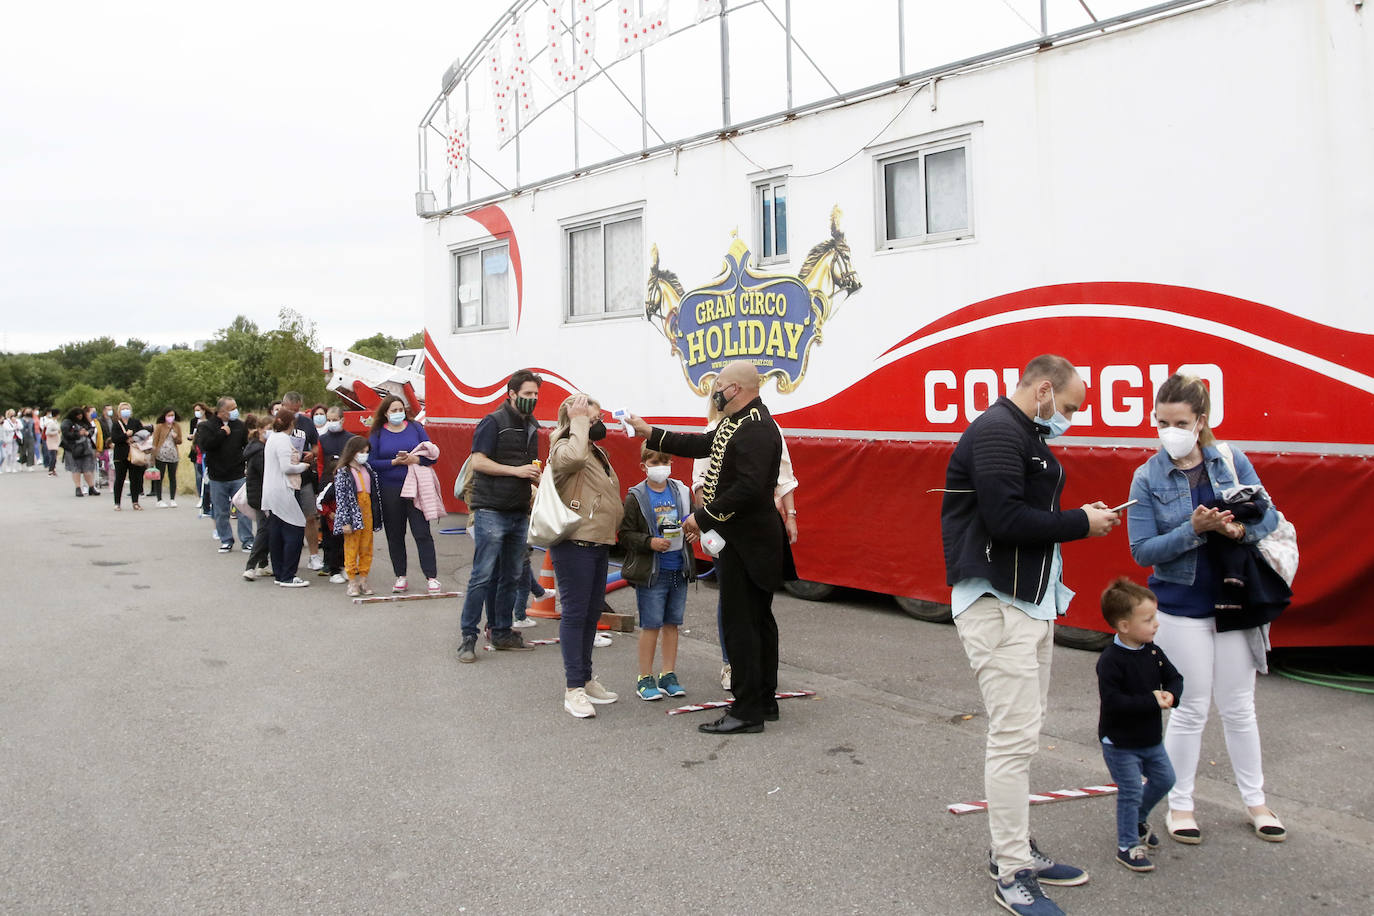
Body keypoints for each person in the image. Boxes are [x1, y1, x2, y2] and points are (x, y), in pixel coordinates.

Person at [939, 353, 1121, 916]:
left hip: (1027, 603)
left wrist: (1074, 517)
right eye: (1068, 407)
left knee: (1023, 734)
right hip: (998, 604)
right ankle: (1012, 870)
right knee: (1013, 739)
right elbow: (1006, 520)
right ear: (1043, 390)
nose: (1070, 418)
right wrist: (1081, 524)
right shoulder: (997, 431)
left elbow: (1024, 513)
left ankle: (1012, 850)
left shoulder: (1024, 431)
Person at [1126, 373, 1287, 846]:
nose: (1168, 430)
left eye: (1178, 421)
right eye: (1160, 421)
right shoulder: (1147, 476)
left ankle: (1256, 802)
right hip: (1180, 607)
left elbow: (1270, 516)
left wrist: (1239, 532)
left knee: (1240, 708)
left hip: (1235, 602)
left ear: (1200, 421)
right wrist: (1194, 530)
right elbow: (1142, 550)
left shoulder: (1231, 461)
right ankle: (1180, 805)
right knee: (1189, 708)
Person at [628, 361, 796, 735]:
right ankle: (762, 699)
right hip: (745, 539)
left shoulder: (754, 428)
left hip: (749, 542)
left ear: (736, 388)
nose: (714, 390)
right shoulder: (738, 422)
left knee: (744, 626)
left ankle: (748, 709)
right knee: (755, 622)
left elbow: (750, 489)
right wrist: (650, 433)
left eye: (719, 384)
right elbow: (702, 444)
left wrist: (702, 517)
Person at [692, 398, 800, 691]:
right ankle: (735, 667)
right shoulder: (717, 429)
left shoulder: (765, 427)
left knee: (755, 609)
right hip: (726, 530)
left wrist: (790, 514)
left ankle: (755, 687)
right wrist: (706, 523)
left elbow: (784, 474)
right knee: (735, 603)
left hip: (756, 531)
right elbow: (701, 483)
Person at [544, 393, 623, 717]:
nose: (597, 423)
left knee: (591, 613)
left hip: (598, 540)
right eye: (592, 418)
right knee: (576, 614)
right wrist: (576, 422)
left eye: (597, 418)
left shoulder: (596, 451)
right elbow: (572, 461)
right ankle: (573, 688)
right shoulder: (565, 447)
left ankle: (586, 679)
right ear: (575, 419)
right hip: (575, 542)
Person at [1096, 577, 1182, 874]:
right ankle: (1127, 846)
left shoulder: (1153, 652)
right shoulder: (1111, 660)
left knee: (1166, 779)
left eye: (1155, 616)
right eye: (1148, 619)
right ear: (1124, 626)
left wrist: (1173, 694)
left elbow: (1175, 678)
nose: (1156, 624)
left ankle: (1138, 819)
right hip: (1120, 742)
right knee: (1130, 790)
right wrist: (1151, 700)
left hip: (1150, 739)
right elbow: (1114, 702)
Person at [456, 370, 543, 661]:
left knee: (512, 575)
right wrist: (516, 471)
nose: (533, 399)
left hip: (519, 511)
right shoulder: (492, 422)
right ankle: (468, 637)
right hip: (491, 509)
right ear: (511, 393)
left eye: (536, 394)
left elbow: (529, 464)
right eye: (527, 394)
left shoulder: (532, 425)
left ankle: (502, 630)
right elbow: (478, 462)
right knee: (482, 576)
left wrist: (537, 478)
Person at [619, 446, 695, 701]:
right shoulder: (636, 496)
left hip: (678, 568)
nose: (661, 466)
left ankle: (668, 674)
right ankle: (645, 677)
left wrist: (693, 531)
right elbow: (625, 534)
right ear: (644, 466)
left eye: (665, 461)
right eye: (655, 462)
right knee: (651, 625)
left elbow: (691, 521)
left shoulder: (680, 492)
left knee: (673, 624)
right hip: (652, 571)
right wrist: (649, 542)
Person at [367, 395, 441, 594]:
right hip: (390, 489)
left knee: (422, 532)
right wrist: (393, 462)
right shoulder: (377, 433)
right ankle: (400, 576)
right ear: (385, 413)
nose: (398, 413)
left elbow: (430, 455)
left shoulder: (416, 428)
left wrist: (414, 459)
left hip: (416, 488)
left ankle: (432, 577)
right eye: (393, 410)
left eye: (401, 409)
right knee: (395, 534)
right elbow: (371, 462)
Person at [262, 408, 313, 587]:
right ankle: (288, 575)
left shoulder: (272, 438)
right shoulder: (283, 439)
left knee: (276, 530)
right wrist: (303, 466)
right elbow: (286, 467)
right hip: (282, 489)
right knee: (296, 527)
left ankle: (279, 572)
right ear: (291, 423)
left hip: (270, 489)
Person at [195, 397, 252, 553]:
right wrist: (221, 433)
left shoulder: (240, 426)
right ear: (221, 412)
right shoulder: (207, 426)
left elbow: (247, 446)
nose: (235, 411)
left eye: (235, 407)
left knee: (243, 509)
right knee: (221, 511)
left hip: (238, 474)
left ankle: (247, 540)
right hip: (217, 476)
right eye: (231, 408)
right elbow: (205, 445)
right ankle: (226, 539)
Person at [333, 435, 382, 598]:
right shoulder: (343, 471)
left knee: (367, 547)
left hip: (367, 510)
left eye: (366, 451)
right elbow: (341, 498)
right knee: (352, 547)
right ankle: (352, 581)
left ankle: (363, 579)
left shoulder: (367, 468)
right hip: (353, 513)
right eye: (361, 451)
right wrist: (345, 521)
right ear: (353, 451)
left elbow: (374, 494)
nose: (364, 455)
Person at [280, 392, 323, 573]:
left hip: (303, 477)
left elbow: (316, 444)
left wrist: (312, 454)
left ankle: (314, 556)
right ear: (283, 406)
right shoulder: (277, 422)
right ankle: (284, 556)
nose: (294, 414)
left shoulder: (306, 423)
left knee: (310, 517)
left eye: (297, 410)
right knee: (284, 518)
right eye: (291, 410)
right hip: (283, 479)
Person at [317, 406, 351, 582]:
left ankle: (347, 563)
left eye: (333, 419)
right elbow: (321, 463)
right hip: (328, 485)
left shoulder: (351, 439)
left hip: (346, 485)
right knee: (329, 528)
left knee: (347, 528)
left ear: (342, 419)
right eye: (328, 420)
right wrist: (323, 483)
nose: (331, 423)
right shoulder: (322, 439)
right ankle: (332, 567)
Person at [240, 415, 273, 581]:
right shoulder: (260, 450)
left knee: (264, 527)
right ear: (260, 430)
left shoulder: (254, 447)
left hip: (257, 493)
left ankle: (262, 564)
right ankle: (251, 566)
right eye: (268, 429)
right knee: (264, 529)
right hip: (261, 494)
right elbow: (267, 472)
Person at [108, 403, 145, 511]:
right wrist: (126, 435)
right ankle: (117, 503)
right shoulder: (116, 424)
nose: (125, 411)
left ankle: (135, 502)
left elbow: (143, 434)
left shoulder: (136, 422)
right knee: (119, 479)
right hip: (120, 454)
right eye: (123, 409)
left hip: (134, 454)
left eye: (127, 409)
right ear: (119, 412)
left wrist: (134, 438)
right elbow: (114, 439)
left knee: (135, 478)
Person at [59, 407, 98, 497]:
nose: (80, 417)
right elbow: (66, 434)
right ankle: (78, 488)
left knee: (87, 469)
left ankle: (91, 487)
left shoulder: (84, 421)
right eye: (78, 415)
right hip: (73, 449)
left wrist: (87, 433)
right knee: (75, 469)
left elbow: (91, 429)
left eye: (81, 415)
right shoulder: (67, 422)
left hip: (86, 448)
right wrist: (78, 434)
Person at [150, 408, 182, 507]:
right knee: (160, 477)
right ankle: (159, 499)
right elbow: (155, 441)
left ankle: (172, 498)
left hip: (173, 455)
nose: (170, 417)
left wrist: (175, 437)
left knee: (172, 477)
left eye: (172, 415)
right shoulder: (160, 426)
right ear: (164, 416)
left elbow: (180, 441)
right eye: (168, 415)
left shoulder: (177, 426)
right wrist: (153, 455)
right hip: (161, 454)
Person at [190, 402, 212, 517]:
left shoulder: (199, 438)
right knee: (206, 484)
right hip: (202, 462)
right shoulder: (200, 440)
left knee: (207, 484)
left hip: (203, 461)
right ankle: (206, 505)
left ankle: (206, 505)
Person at [42, 408, 61, 475]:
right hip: (51, 441)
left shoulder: (55, 422)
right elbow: (47, 432)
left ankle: (53, 469)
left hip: (56, 440)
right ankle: (51, 469)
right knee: (53, 456)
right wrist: (56, 432)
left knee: (55, 456)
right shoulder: (51, 423)